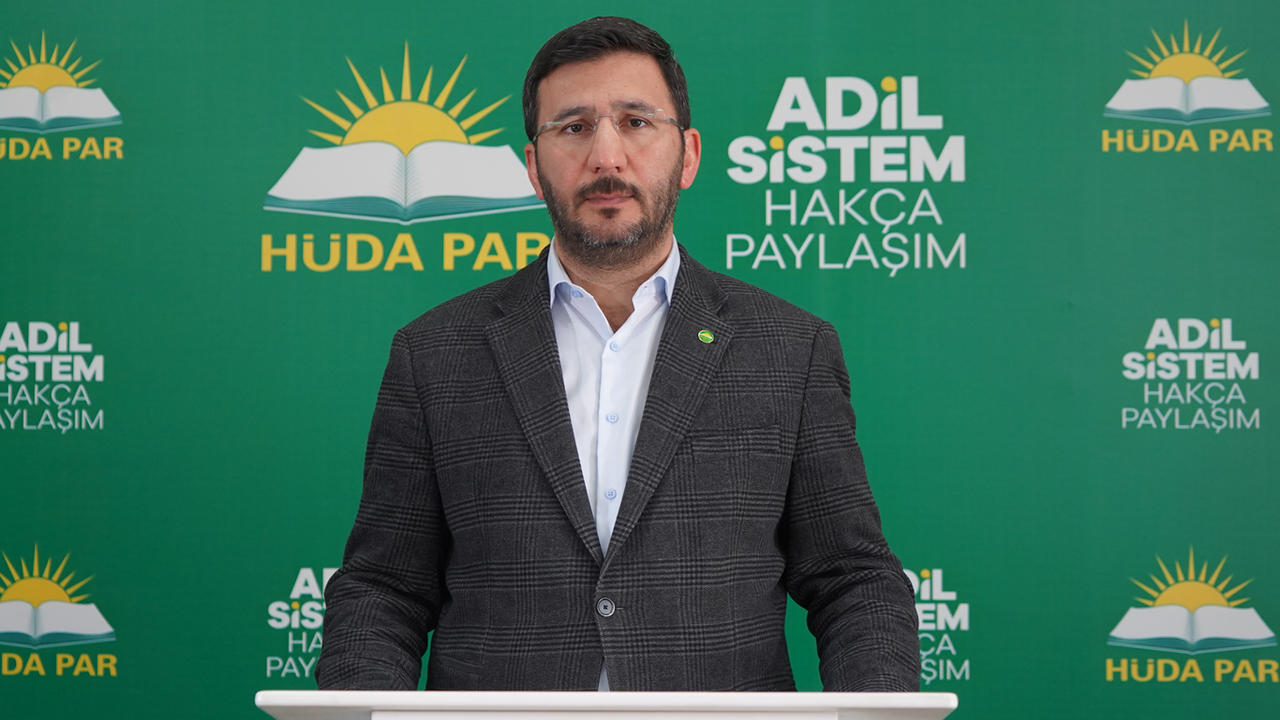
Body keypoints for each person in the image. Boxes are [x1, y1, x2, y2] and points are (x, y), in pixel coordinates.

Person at [317, 16, 919, 692]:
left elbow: (853, 580)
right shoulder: (435, 354)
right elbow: (383, 588)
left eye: (636, 122)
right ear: (533, 167)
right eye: (574, 128)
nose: (607, 157)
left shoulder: (790, 350)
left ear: (687, 155)